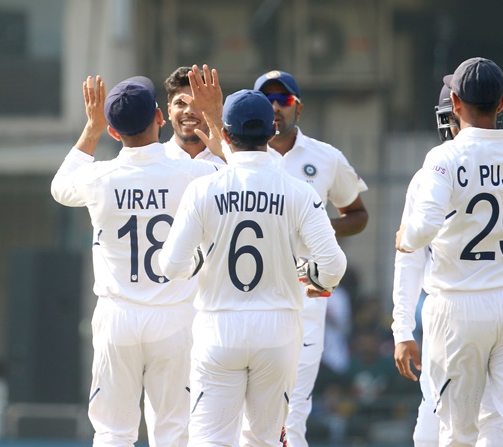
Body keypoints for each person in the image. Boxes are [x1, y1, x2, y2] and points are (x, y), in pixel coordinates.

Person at [157, 89, 347, 447]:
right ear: (270, 134)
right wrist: (309, 275)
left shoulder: (203, 189)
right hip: (278, 330)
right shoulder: (299, 192)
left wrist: (201, 259)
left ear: (225, 136)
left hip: (219, 326)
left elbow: (170, 266)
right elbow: (334, 265)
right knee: (264, 441)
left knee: (211, 440)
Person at [396, 57, 503, 446]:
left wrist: (406, 237)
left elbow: (421, 230)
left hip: (459, 307)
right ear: (502, 101)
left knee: (457, 434)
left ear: (454, 103)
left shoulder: (443, 159)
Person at [50, 75, 217, 447]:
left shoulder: (99, 176)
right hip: (176, 315)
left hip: (117, 316)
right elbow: (238, 175)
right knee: (174, 430)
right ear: (160, 116)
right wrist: (215, 116)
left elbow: (60, 187)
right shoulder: (192, 173)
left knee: (113, 432)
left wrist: (91, 128)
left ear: (113, 130)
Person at [252, 70, 369, 447]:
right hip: (252, 292)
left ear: (298, 108)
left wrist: (318, 228)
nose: (274, 108)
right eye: (266, 100)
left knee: (294, 410)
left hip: (307, 289)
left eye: (283, 100)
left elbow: (358, 214)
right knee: (249, 415)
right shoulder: (239, 156)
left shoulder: (325, 157)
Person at [163, 66, 225, 164]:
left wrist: (225, 154)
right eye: (180, 103)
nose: (189, 111)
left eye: (197, 104)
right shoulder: (158, 159)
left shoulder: (229, 160)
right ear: (169, 111)